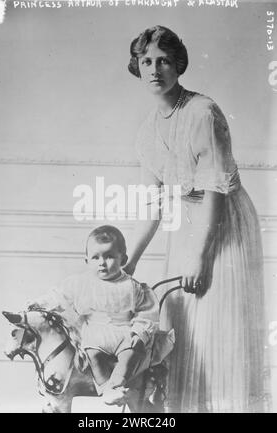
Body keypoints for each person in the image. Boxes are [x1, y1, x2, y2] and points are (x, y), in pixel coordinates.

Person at [123, 25, 269, 412]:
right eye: (146, 61)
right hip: (187, 225)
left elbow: (215, 192)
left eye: (164, 61)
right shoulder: (147, 133)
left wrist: (200, 256)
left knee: (219, 324)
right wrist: (130, 262)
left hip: (222, 224)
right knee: (186, 328)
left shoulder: (202, 112)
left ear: (179, 65)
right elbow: (152, 205)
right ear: (137, 67)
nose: (155, 69)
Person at [28, 225, 174, 406]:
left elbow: (147, 311)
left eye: (109, 256)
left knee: (130, 354)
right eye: (95, 257)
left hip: (124, 331)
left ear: (123, 259)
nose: (102, 262)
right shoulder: (80, 283)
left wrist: (139, 333)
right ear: (87, 260)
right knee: (93, 354)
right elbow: (58, 296)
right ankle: (107, 390)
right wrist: (38, 304)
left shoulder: (132, 286)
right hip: (95, 333)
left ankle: (117, 384)